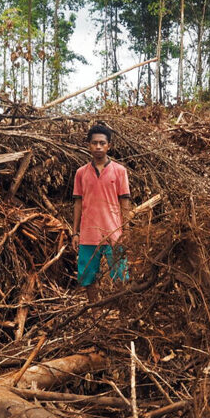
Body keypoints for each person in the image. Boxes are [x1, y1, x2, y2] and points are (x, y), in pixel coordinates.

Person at [71, 124, 131, 302]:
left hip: (114, 233)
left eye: (102, 143)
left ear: (109, 146)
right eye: (94, 143)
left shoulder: (120, 171)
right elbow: (78, 203)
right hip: (88, 233)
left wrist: (126, 230)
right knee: (87, 275)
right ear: (88, 145)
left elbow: (124, 202)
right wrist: (75, 232)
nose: (98, 146)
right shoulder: (81, 173)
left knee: (120, 274)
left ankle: (122, 312)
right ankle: (94, 312)